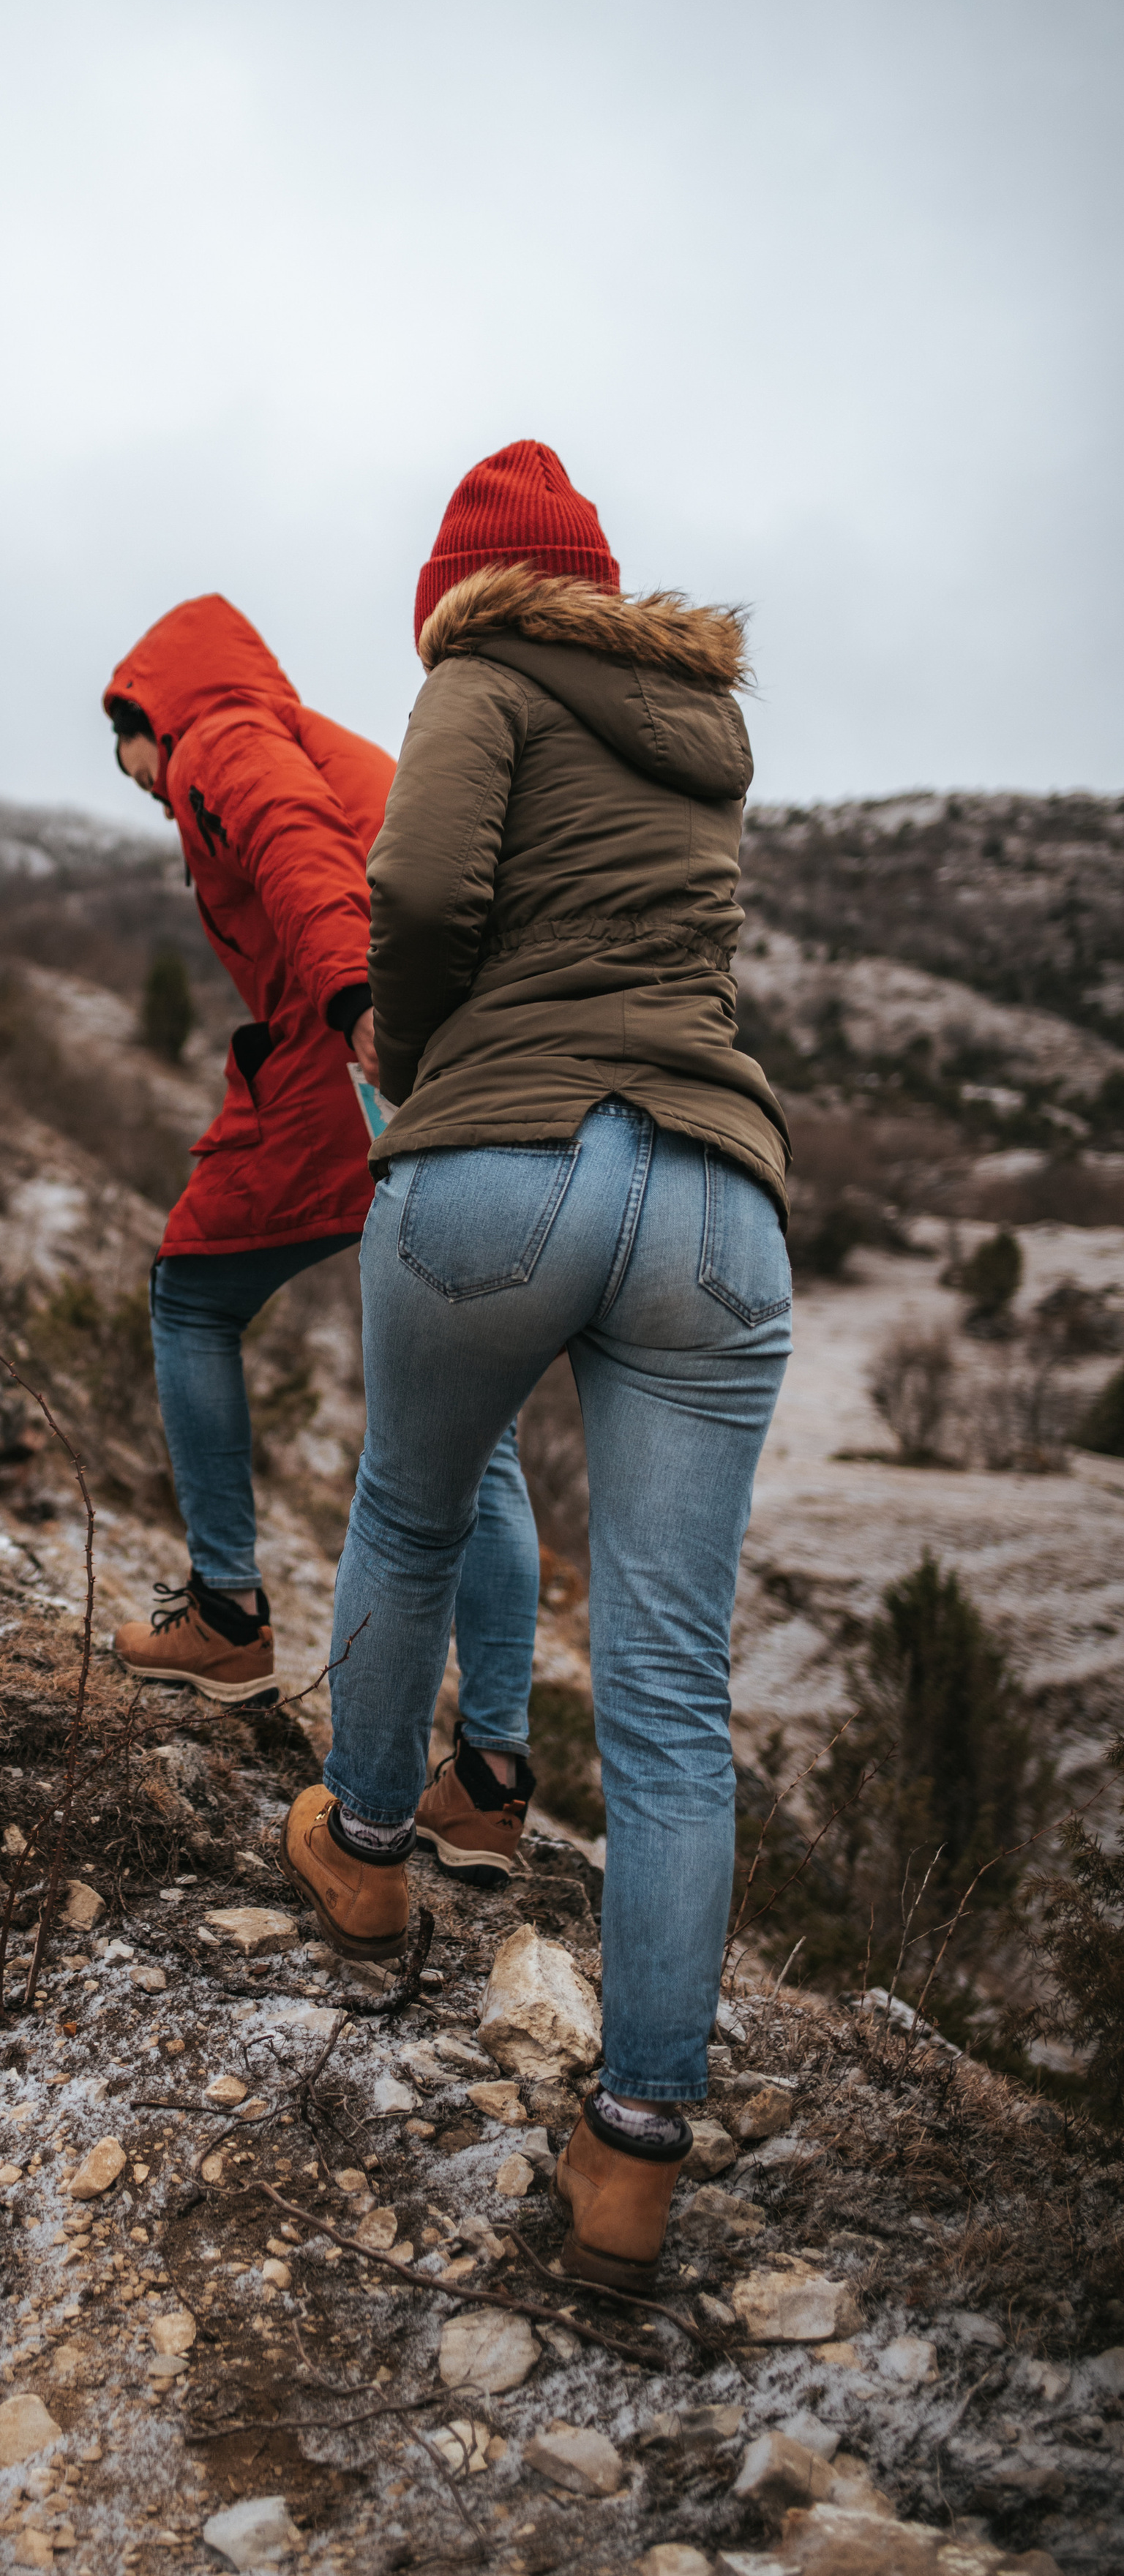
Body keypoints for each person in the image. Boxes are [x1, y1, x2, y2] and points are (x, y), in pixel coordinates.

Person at [277, 442, 793, 2293]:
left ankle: (360, 1850)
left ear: (467, 592)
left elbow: (411, 900)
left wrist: (417, 1065)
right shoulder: (697, 731)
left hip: (503, 1159)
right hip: (714, 1195)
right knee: (665, 1684)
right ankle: (633, 2147)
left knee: (408, 1514)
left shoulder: (474, 679)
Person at [102, 596, 542, 1880]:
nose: (137, 783)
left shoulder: (216, 738)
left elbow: (303, 858)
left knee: (189, 1294)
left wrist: (357, 1010)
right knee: (480, 1431)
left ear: (145, 713)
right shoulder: (289, 728)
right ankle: (491, 1782)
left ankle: (228, 1617)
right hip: (466, 1061)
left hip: (351, 1059)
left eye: (124, 753)